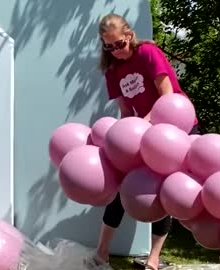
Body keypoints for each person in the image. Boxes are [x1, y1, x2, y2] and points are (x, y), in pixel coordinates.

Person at [84, 13, 200, 270]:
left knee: (164, 192)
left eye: (119, 44)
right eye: (109, 46)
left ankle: (154, 259)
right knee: (123, 189)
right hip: (144, 130)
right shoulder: (112, 70)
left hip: (176, 126)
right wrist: (124, 135)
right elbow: (126, 112)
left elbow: (167, 96)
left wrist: (141, 125)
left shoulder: (147, 52)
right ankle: (101, 253)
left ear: (129, 35)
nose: (116, 50)